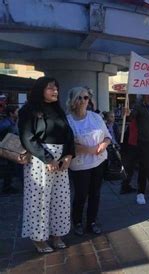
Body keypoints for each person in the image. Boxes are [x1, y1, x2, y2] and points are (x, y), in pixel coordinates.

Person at [18, 76, 75, 253]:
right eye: (51, 88)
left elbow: (68, 134)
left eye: (56, 88)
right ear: (40, 89)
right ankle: (39, 238)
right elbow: (27, 136)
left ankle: (57, 234)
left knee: (61, 199)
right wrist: (47, 158)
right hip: (40, 160)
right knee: (39, 200)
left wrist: (69, 155)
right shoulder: (29, 110)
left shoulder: (57, 109)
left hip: (61, 161)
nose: (55, 91)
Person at [66, 87, 111, 236]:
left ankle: (91, 221)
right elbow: (71, 145)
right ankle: (77, 221)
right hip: (80, 165)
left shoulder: (95, 117)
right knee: (80, 195)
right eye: (79, 98)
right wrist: (91, 150)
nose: (83, 101)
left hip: (99, 162)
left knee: (95, 194)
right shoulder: (68, 121)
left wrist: (103, 145)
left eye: (86, 98)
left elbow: (107, 136)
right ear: (72, 100)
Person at [0, 105, 21, 193]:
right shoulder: (5, 123)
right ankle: (6, 188)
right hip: (5, 149)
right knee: (7, 169)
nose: (18, 113)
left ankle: (8, 186)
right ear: (11, 113)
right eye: (16, 111)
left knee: (10, 168)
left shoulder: (12, 122)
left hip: (10, 149)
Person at [120, 117, 140, 194]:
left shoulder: (133, 123)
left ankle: (125, 186)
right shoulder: (135, 123)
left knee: (129, 169)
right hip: (130, 149)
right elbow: (132, 138)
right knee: (129, 169)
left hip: (129, 148)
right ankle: (124, 186)